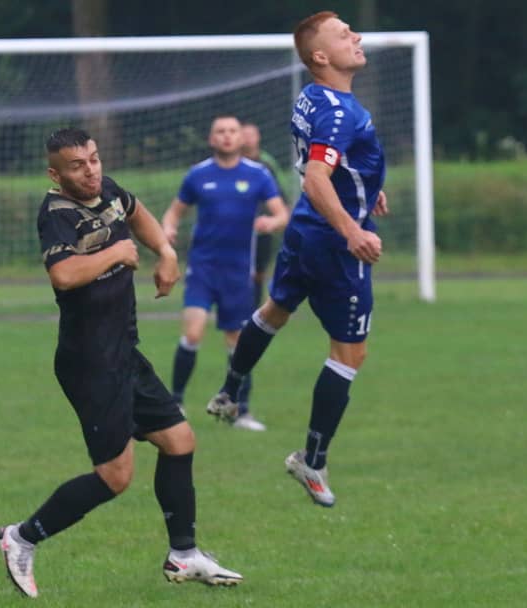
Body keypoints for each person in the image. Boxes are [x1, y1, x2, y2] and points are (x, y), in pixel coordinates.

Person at [0, 128, 242, 599]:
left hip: (123, 351)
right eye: (77, 166)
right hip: (90, 362)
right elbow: (63, 274)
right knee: (115, 477)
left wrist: (165, 251)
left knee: (179, 440)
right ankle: (21, 538)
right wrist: (117, 252)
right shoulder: (56, 214)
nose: (90, 171)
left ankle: (184, 553)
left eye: (93, 159)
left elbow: (136, 211)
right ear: (55, 174)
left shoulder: (104, 189)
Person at [205, 11, 389, 507]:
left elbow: (329, 165)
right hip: (333, 244)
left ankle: (229, 390)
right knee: (349, 354)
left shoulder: (312, 96)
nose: (357, 36)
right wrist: (352, 229)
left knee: (275, 311)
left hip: (305, 231)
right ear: (321, 56)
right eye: (344, 34)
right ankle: (312, 459)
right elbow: (316, 178)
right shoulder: (339, 112)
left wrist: (366, 186)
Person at [161, 114, 289, 432]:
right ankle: (175, 403)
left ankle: (240, 411)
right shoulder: (198, 174)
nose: (227, 136)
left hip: (238, 273)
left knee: (238, 342)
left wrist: (271, 222)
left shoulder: (258, 175)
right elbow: (174, 213)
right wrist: (168, 230)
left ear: (241, 138)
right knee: (193, 333)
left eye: (232, 131)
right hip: (203, 269)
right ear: (211, 138)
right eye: (220, 131)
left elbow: (282, 214)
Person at [240, 120, 299, 314]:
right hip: (236, 226)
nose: (247, 139)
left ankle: (253, 311)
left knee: (258, 271)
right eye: (244, 134)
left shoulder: (266, 163)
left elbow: (279, 193)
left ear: (258, 138)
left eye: (251, 135)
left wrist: (281, 215)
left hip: (262, 226)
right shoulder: (231, 161)